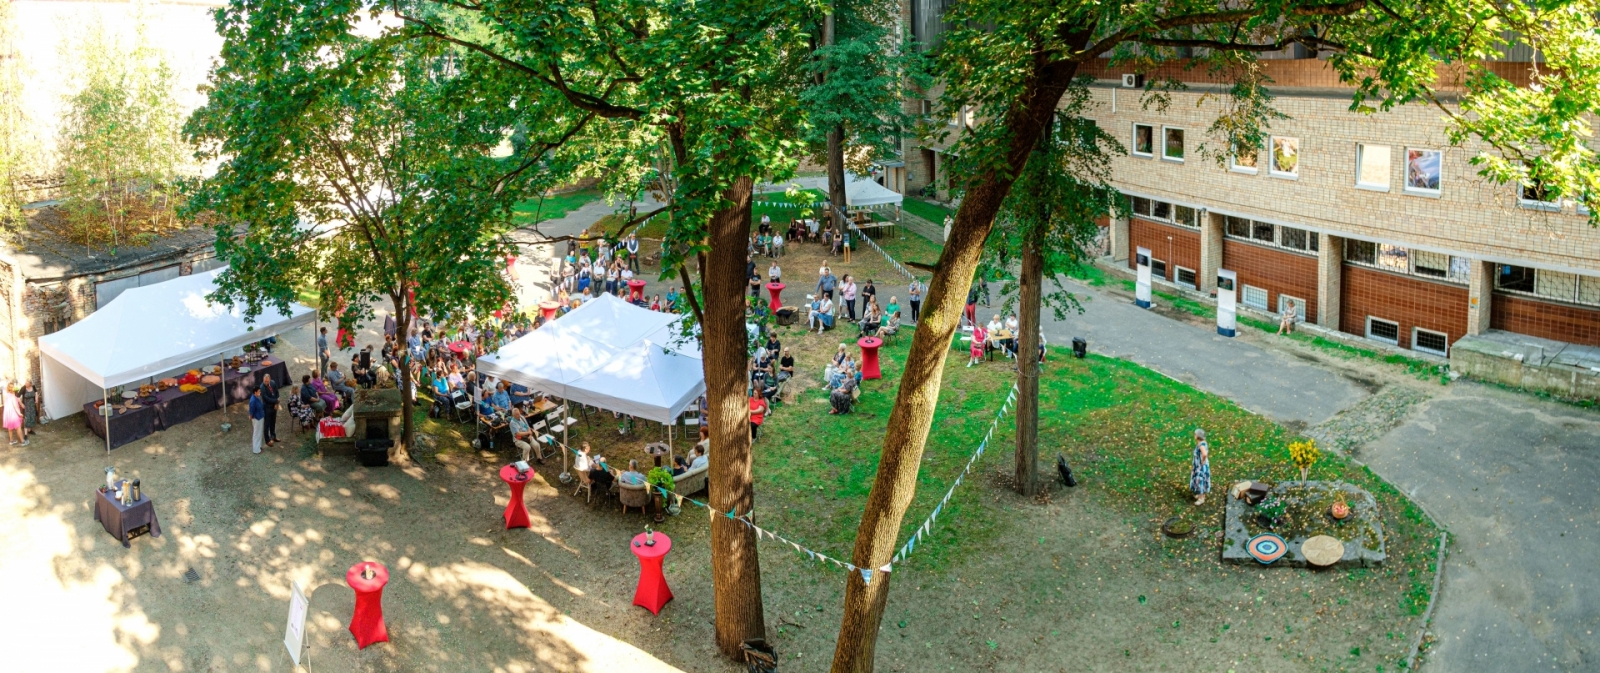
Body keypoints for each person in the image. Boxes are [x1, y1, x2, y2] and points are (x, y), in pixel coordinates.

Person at [1191, 428, 1212, 505]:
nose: (1194, 435)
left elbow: (1204, 454)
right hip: (1202, 465)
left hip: (1200, 466)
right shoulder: (1203, 442)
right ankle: (1200, 495)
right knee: (1200, 480)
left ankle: (1201, 498)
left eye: (1195, 434)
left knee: (1200, 481)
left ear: (1198, 436)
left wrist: (1202, 461)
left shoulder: (1200, 445)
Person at [260, 374, 280, 447]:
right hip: (267, 408)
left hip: (274, 407)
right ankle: (267, 440)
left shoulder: (273, 383)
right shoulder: (262, 387)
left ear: (270, 379)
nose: (266, 382)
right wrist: (276, 401)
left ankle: (273, 436)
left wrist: (276, 403)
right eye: (265, 381)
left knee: (273, 422)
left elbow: (277, 393)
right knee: (267, 424)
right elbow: (266, 398)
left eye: (267, 381)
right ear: (263, 380)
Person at [3, 381, 25, 446]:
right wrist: (19, 413)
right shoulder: (12, 395)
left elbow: (5, 403)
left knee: (10, 427)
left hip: (7, 413)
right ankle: (23, 441)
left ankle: (11, 440)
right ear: (12, 388)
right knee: (18, 427)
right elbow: (15, 406)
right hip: (13, 413)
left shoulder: (5, 394)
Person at [248, 387, 266, 454]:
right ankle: (256, 449)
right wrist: (251, 416)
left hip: (260, 417)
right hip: (257, 418)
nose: (260, 392)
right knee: (256, 433)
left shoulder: (257, 397)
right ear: (255, 392)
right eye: (258, 391)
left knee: (259, 432)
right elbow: (251, 410)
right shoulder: (253, 400)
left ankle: (258, 446)